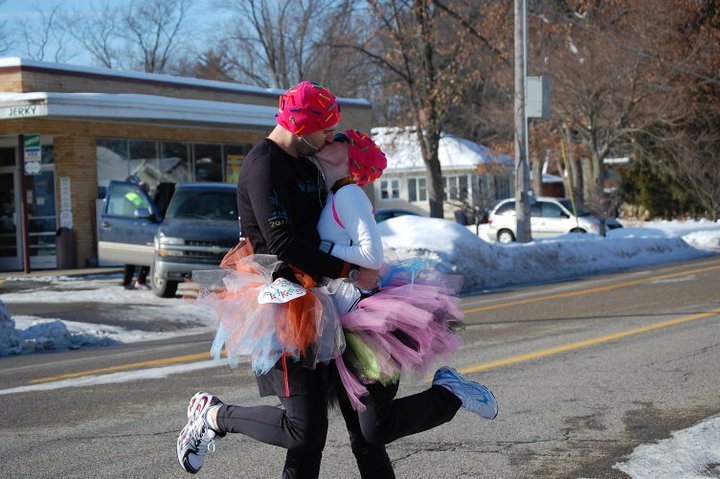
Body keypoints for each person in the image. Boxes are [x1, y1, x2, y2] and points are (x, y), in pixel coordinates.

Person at [176, 81, 377, 478]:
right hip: (279, 302)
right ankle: (213, 415)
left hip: (315, 299)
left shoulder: (306, 162)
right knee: (303, 430)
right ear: (301, 127)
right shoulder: (264, 162)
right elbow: (281, 241)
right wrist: (349, 271)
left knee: (311, 438)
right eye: (323, 130)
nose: (327, 138)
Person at [314, 130, 498, 478]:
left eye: (339, 138)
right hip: (343, 323)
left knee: (376, 428)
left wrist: (320, 253)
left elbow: (372, 254)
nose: (329, 138)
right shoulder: (331, 196)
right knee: (364, 438)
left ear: (351, 159)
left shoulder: (349, 194)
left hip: (369, 326)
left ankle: (449, 393)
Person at [120, 178, 151, 290]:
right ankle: (138, 281)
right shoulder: (138, 198)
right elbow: (145, 211)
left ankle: (130, 281)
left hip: (133, 230)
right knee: (142, 257)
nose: (148, 192)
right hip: (137, 231)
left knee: (133, 258)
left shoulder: (131, 196)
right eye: (147, 190)